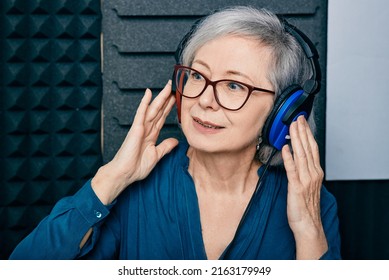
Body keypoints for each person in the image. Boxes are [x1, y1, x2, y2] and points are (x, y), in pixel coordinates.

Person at [10, 6, 341, 260]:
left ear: (282, 112)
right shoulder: (132, 192)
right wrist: (110, 179)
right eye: (197, 76)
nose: (205, 101)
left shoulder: (313, 203)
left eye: (234, 85)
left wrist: (309, 230)